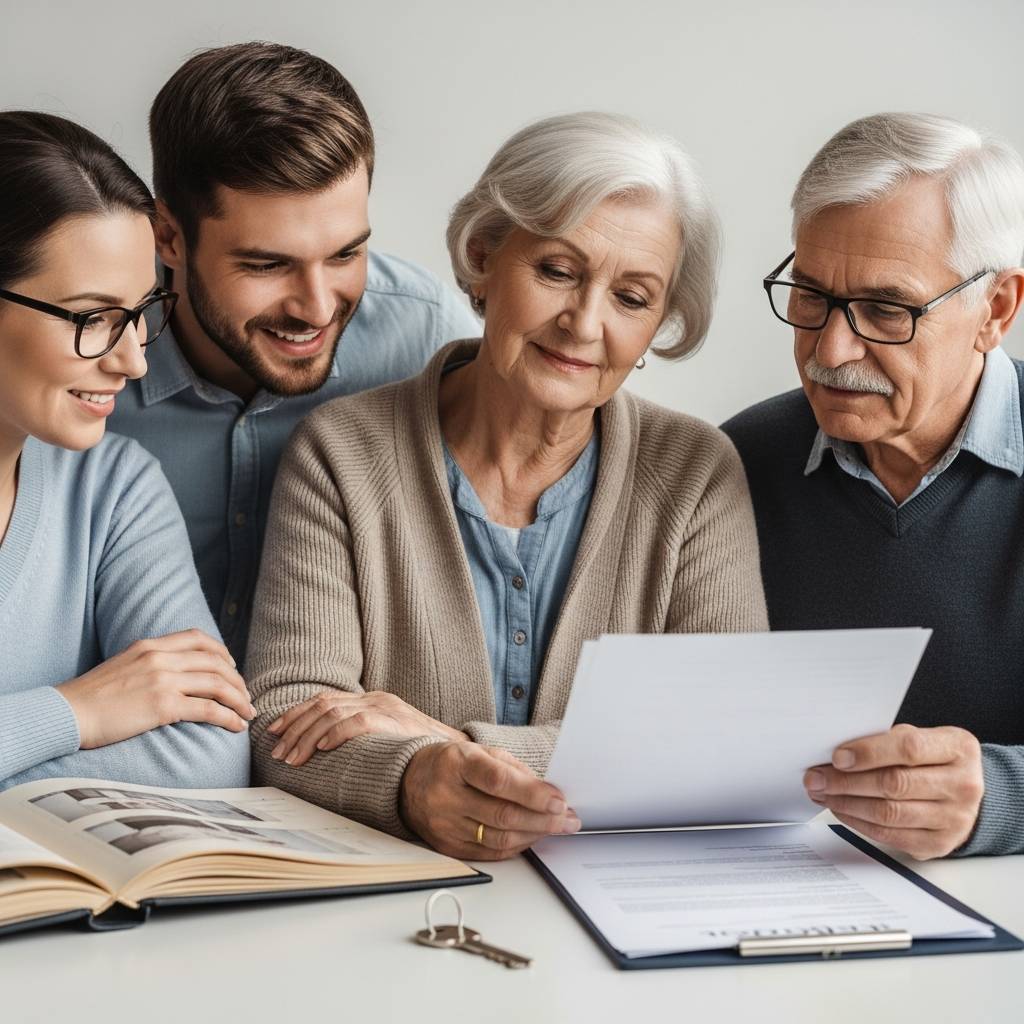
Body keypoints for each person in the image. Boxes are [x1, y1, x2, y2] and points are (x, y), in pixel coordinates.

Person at [246, 112, 768, 861]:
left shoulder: (694, 471)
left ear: (660, 322)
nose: (585, 323)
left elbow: (731, 737)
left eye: (632, 297)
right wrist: (414, 785)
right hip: (395, 908)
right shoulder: (342, 451)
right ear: (484, 259)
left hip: (624, 898)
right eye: (556, 271)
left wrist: (448, 746)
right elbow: (285, 721)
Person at [109, 42, 479, 665]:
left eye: (344, 254)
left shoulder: (427, 341)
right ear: (168, 237)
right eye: (268, 264)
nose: (315, 307)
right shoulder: (77, 357)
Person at [722, 112, 1024, 859]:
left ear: (996, 310)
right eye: (811, 295)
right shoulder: (735, 465)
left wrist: (999, 795)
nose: (831, 348)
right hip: (778, 897)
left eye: (887, 310)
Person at [0, 112, 252, 791]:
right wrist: (73, 711)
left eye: (142, 311)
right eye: (92, 317)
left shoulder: (115, 487)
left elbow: (212, 751)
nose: (135, 361)